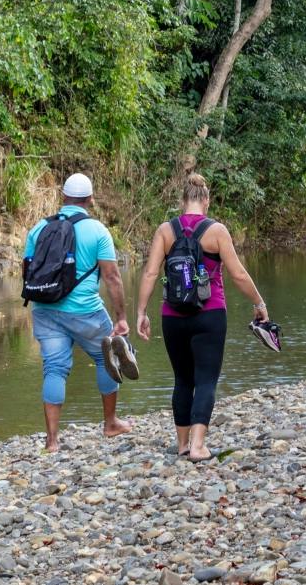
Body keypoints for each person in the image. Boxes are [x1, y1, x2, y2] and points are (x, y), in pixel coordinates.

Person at [132, 172, 270, 462]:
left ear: (183, 201)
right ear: (205, 200)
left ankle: (182, 444)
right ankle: (198, 447)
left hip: (172, 315)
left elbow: (151, 273)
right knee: (206, 379)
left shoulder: (165, 231)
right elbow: (238, 274)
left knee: (182, 379)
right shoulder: (217, 230)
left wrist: (141, 312)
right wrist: (258, 302)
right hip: (210, 314)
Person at [22, 172, 132, 451]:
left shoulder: (38, 229)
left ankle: (52, 441)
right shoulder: (97, 230)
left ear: (63, 197)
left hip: (45, 309)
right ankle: (110, 424)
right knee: (105, 355)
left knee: (54, 368)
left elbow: (27, 271)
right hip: (86, 311)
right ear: (90, 199)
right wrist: (121, 318)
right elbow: (112, 278)